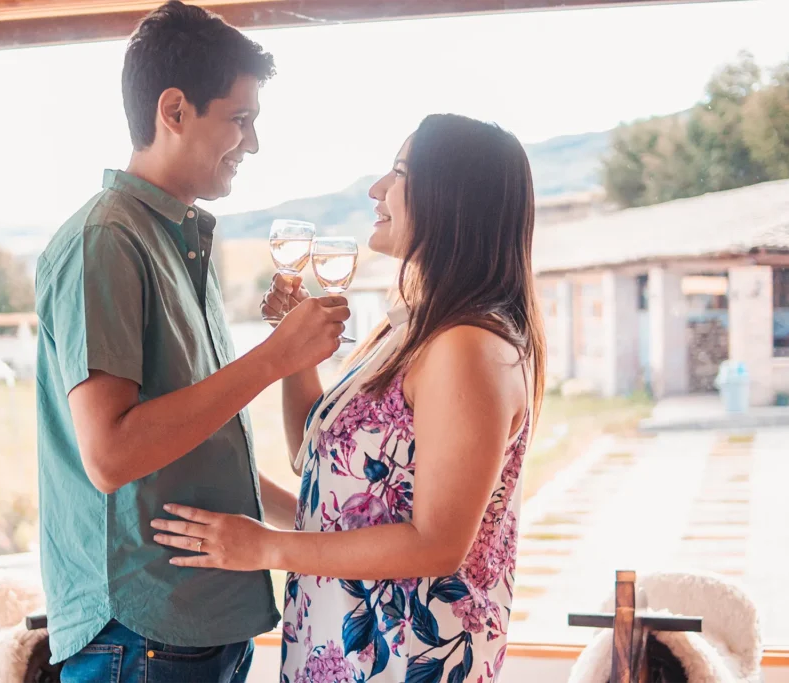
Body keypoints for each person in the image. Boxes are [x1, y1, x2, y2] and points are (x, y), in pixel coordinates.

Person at [151, 113, 547, 682]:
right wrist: (291, 357)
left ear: (452, 198)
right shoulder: (410, 330)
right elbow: (318, 465)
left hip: (404, 659)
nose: (376, 190)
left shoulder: (468, 347)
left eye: (400, 172)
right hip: (340, 645)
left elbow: (437, 545)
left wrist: (267, 548)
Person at [34, 2, 350, 682]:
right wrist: (275, 359)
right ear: (173, 110)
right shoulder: (106, 241)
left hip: (200, 628)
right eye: (241, 119)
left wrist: (318, 527)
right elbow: (112, 454)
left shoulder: (177, 242)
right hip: (141, 634)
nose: (254, 143)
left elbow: (196, 450)